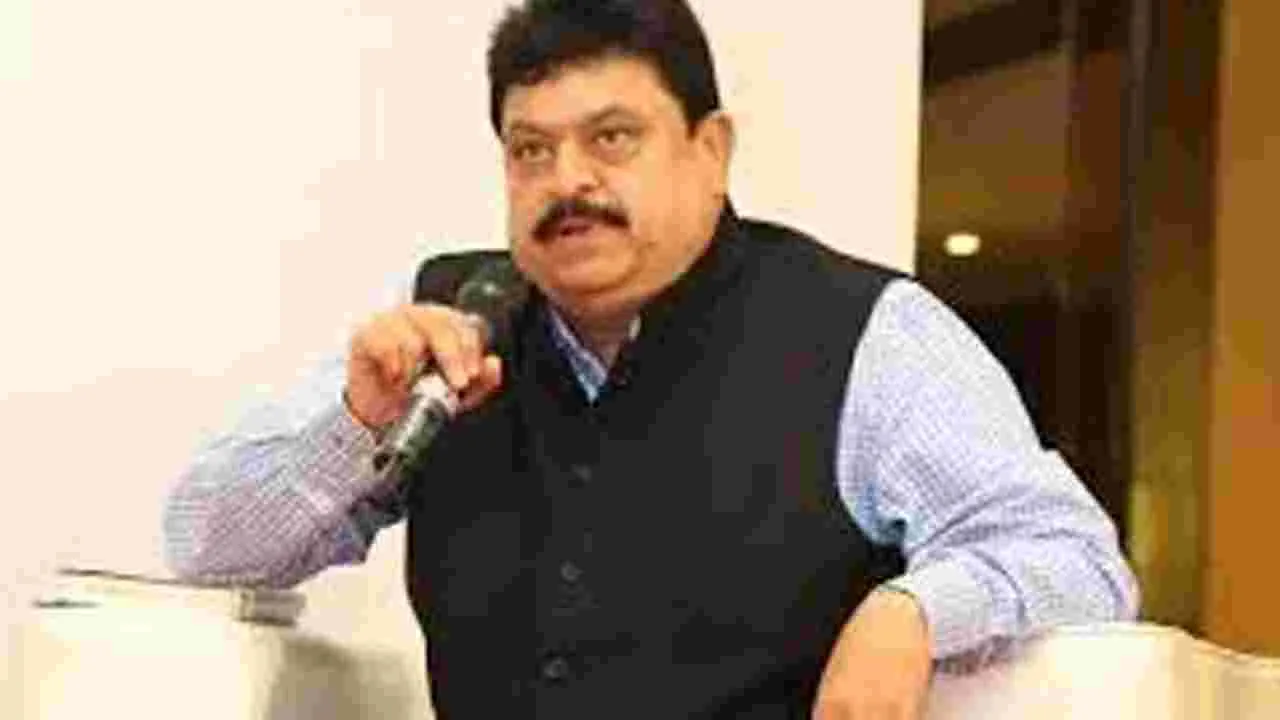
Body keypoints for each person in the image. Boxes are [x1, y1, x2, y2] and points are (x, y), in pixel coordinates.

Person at [164, 1, 1139, 717]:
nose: (569, 182)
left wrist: (913, 609)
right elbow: (208, 550)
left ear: (710, 151)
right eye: (530, 150)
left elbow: (1075, 558)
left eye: (612, 138)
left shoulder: (864, 334)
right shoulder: (452, 332)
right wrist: (355, 422)